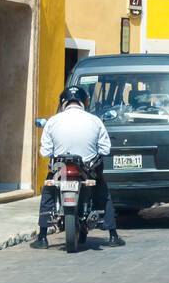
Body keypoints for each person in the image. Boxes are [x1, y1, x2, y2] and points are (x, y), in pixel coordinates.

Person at [31, 84, 125, 249]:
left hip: (61, 169)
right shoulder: (95, 120)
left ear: (63, 102)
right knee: (102, 190)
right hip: (88, 169)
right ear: (84, 102)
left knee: (48, 192)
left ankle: (43, 236)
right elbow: (105, 149)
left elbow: (45, 152)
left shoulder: (52, 121)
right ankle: (112, 235)